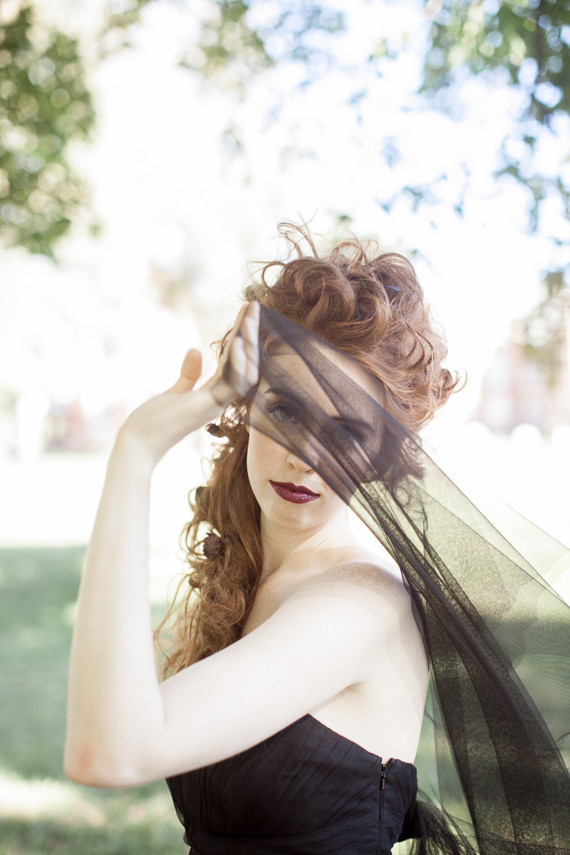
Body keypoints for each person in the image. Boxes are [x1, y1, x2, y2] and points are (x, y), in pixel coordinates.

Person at [65, 225, 569, 855]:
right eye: (285, 411)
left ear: (383, 453)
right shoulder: (257, 579)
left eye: (346, 432)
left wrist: (136, 451)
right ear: (246, 408)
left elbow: (109, 750)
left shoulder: (360, 605)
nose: (305, 457)